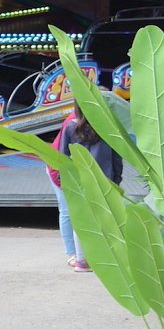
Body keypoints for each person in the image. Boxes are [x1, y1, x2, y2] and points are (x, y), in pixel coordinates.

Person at [58, 103, 124, 272]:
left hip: (79, 181)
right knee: (106, 219)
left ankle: (81, 260)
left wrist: (65, 181)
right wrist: (116, 179)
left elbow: (63, 156)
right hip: (104, 181)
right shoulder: (106, 126)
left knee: (82, 219)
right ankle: (108, 259)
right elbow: (116, 156)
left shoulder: (71, 126)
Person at [48, 111, 77, 268]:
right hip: (59, 168)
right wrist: (61, 178)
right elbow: (62, 154)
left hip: (77, 170)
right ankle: (72, 253)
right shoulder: (73, 122)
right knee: (67, 211)